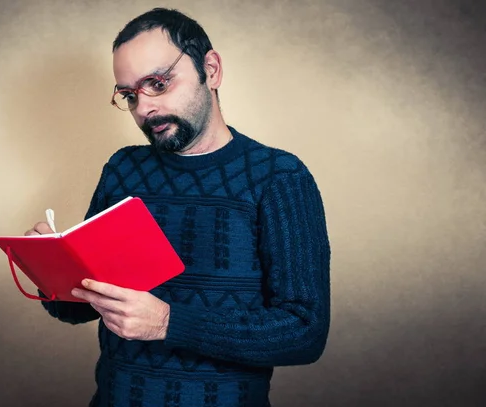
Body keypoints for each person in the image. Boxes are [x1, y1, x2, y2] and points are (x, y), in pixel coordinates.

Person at [25, 7, 331, 407]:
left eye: (158, 83)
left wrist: (169, 323)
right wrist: (50, 270)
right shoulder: (123, 168)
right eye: (130, 95)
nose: (144, 108)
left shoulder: (279, 177)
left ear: (212, 69)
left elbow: (304, 333)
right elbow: (80, 310)